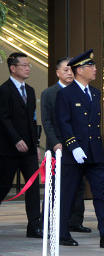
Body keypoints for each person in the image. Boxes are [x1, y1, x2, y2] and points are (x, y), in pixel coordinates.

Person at [55, 49, 104, 248]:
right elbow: (63, 123)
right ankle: (61, 232)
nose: (95, 69)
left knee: (100, 192)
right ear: (79, 70)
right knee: (68, 193)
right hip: (75, 153)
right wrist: (73, 146)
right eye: (91, 66)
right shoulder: (65, 94)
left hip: (94, 151)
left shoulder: (95, 93)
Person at [41, 57, 91, 234]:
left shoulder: (80, 91)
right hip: (58, 147)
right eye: (65, 70)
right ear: (57, 73)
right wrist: (55, 143)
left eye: (72, 70)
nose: (69, 73)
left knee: (78, 185)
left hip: (76, 147)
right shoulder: (49, 93)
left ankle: (75, 220)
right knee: (56, 186)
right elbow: (47, 122)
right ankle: (48, 222)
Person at [0, 52, 42, 238]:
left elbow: (32, 120)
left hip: (29, 150)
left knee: (33, 188)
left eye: (29, 65)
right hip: (9, 150)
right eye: (24, 65)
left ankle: (34, 226)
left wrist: (36, 145)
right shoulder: (4, 90)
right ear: (13, 68)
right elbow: (3, 119)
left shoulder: (31, 90)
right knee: (3, 186)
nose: (27, 68)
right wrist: (16, 139)